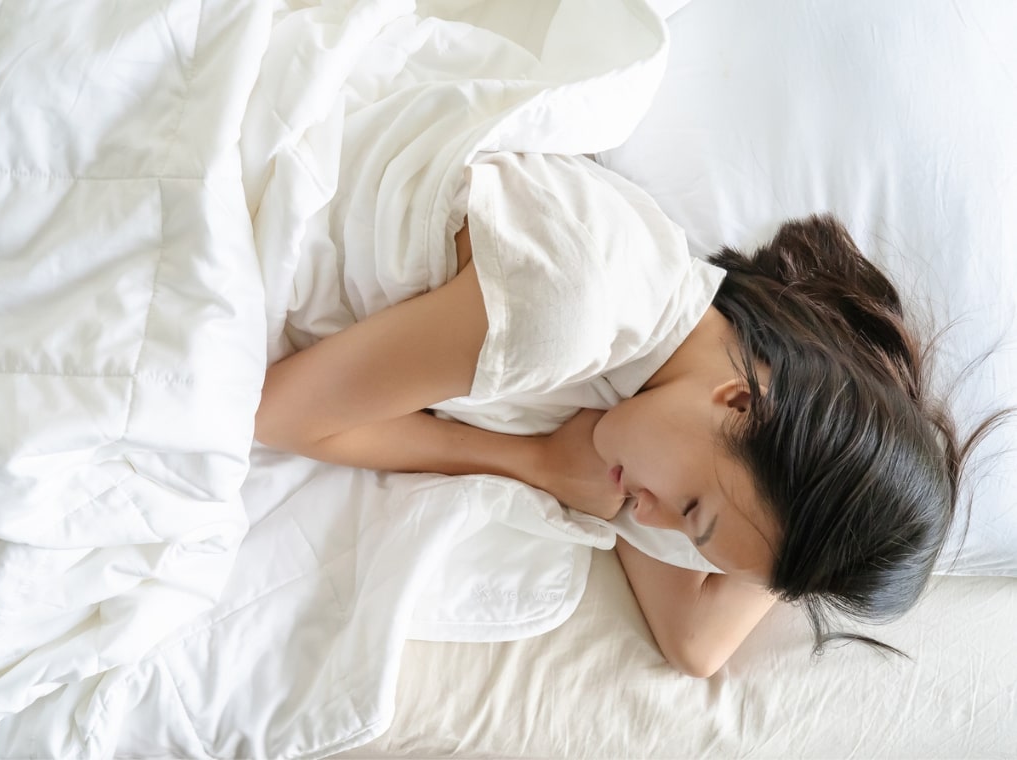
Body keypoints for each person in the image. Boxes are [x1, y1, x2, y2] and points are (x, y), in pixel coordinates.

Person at [254, 152, 981, 678]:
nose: (646, 518)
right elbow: (277, 414)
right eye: (691, 509)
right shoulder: (571, 309)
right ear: (739, 401)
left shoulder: (668, 389)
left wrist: (830, 523)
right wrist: (531, 463)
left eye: (692, 532)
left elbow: (697, 644)